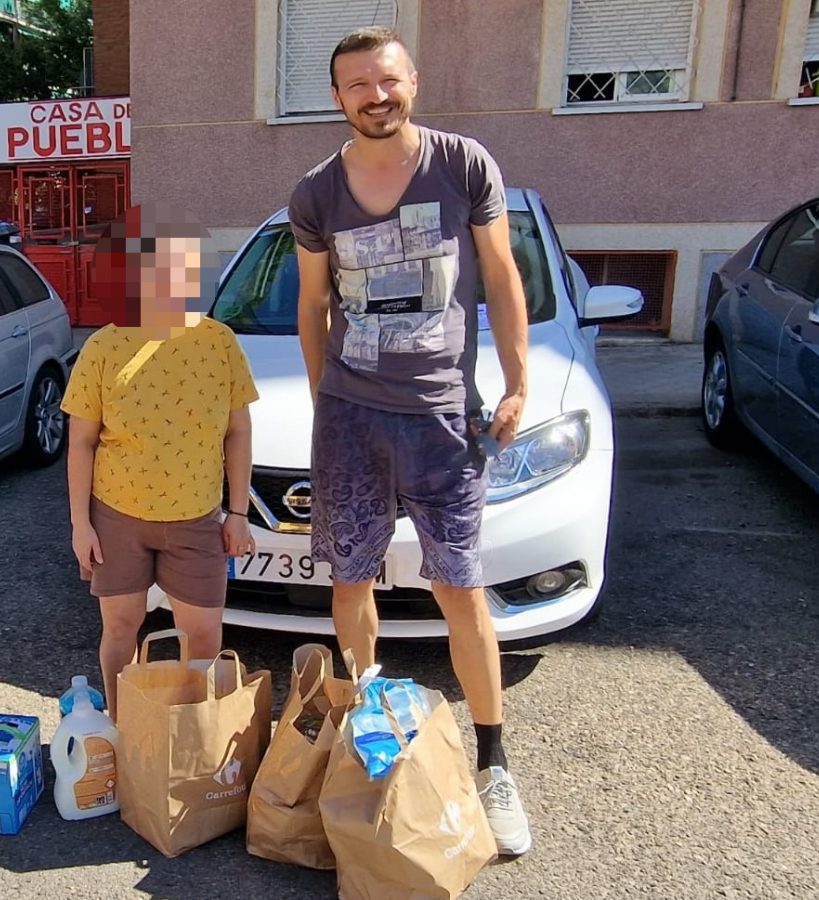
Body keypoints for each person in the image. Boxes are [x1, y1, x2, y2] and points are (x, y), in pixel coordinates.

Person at [289, 28, 533, 855]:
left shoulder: (463, 165)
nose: (375, 95)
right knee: (350, 583)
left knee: (460, 590)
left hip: (443, 419)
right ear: (337, 98)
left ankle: (495, 764)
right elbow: (313, 304)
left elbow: (501, 274)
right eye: (357, 84)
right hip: (352, 422)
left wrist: (518, 381)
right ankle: (367, 738)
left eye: (386, 79)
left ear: (413, 81)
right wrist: (327, 401)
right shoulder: (316, 193)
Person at [62, 204, 259, 721]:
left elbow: (238, 431)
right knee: (120, 629)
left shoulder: (219, 343)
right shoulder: (103, 347)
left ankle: (192, 733)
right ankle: (124, 728)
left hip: (196, 518)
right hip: (117, 516)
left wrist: (238, 513)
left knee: (204, 636)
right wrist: (81, 524)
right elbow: (81, 443)